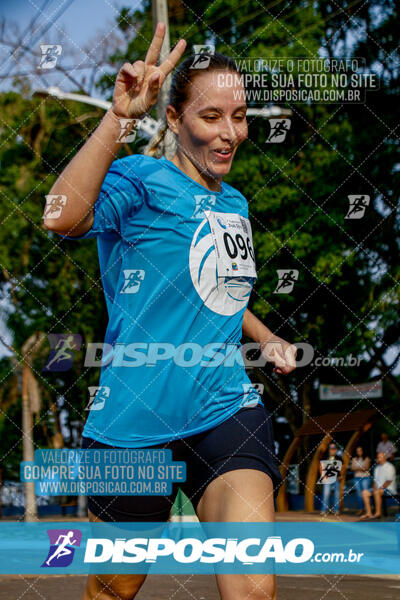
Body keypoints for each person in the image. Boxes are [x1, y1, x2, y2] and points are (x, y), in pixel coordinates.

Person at [43, 23, 297, 600]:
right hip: (134, 427)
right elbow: (59, 216)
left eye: (241, 115)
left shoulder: (235, 202)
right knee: (114, 589)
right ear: (176, 119)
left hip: (225, 411)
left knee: (254, 589)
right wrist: (119, 117)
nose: (230, 133)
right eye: (212, 117)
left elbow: (218, 290)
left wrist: (265, 334)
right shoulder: (138, 179)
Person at [360, 452, 397, 519]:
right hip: (378, 489)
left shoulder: (390, 466)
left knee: (377, 492)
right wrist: (374, 488)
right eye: (378, 457)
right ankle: (369, 513)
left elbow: (388, 481)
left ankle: (378, 513)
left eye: (380, 457)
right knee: (364, 492)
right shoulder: (377, 468)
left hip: (389, 489)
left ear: (384, 458)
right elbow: (374, 481)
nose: (378, 459)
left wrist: (379, 489)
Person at [319, 443, 342, 516]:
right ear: (329, 450)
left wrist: (340, 476)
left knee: (336, 495)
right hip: (327, 478)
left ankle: (336, 510)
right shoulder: (325, 457)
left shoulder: (339, 458)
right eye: (331, 449)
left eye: (334, 448)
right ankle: (324, 510)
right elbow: (320, 467)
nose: (333, 450)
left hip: (336, 478)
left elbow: (343, 467)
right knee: (326, 494)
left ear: (336, 449)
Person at [350, 446, 371, 516]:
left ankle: (368, 510)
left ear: (363, 451)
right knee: (359, 495)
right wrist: (361, 467)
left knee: (366, 493)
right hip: (357, 478)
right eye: (357, 451)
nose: (359, 452)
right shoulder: (354, 459)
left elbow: (366, 468)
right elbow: (352, 468)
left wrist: (357, 468)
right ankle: (361, 509)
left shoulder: (367, 458)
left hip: (365, 478)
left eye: (360, 450)